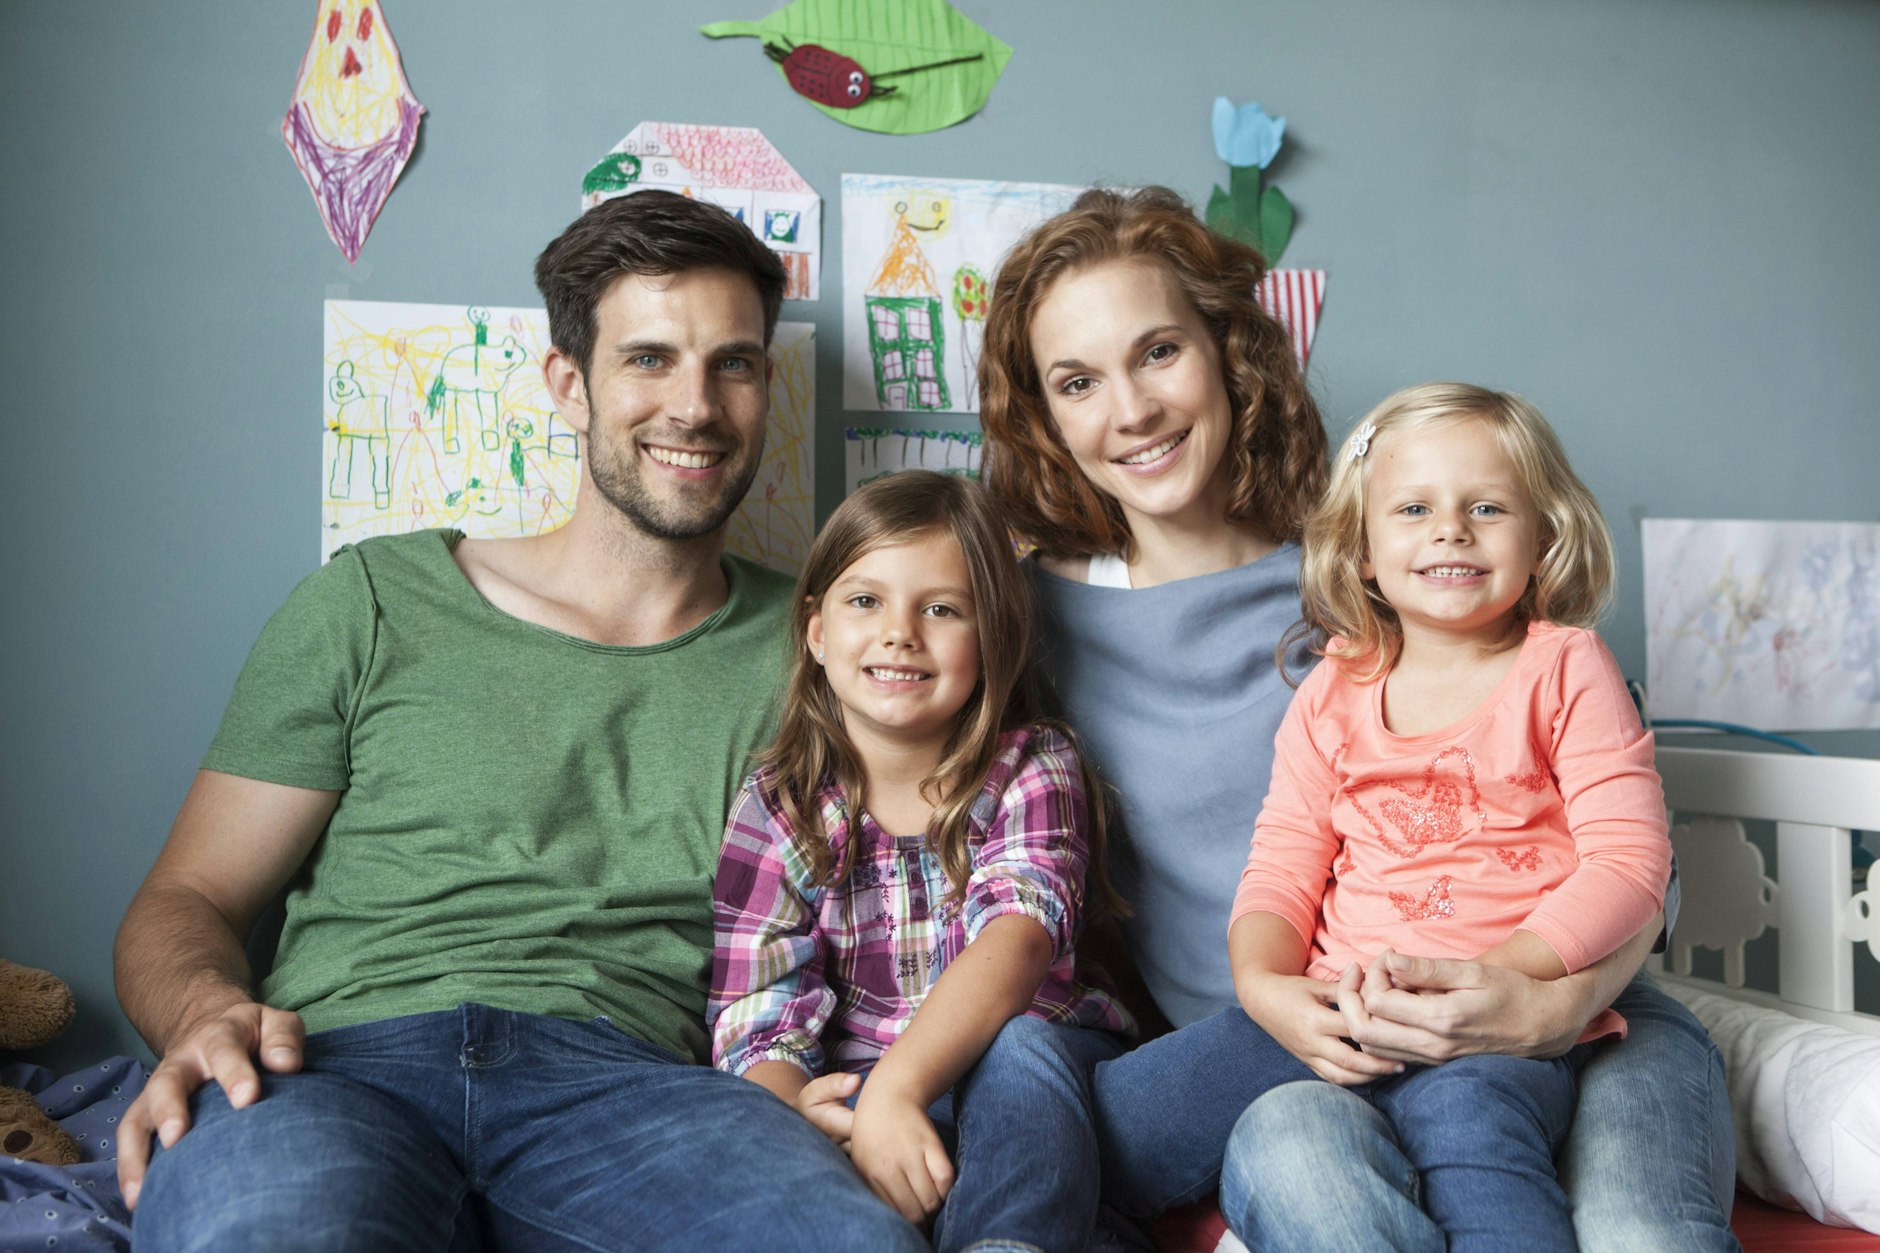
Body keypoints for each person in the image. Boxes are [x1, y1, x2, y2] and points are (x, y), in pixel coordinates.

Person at [112, 191, 923, 1252]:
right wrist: (202, 1008)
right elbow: (186, 897)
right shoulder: (373, 598)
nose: (695, 405)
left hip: (637, 1091)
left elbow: (928, 881)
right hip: (334, 1067)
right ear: (566, 385)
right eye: (646, 359)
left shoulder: (828, 645)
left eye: (731, 363)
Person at [977, 185, 1737, 1250]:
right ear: (1044, 416)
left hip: (1566, 1006)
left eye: (1158, 352)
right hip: (1304, 1036)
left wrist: (1548, 1004)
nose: (1131, 409)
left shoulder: (1388, 570)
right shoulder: (1021, 619)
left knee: (1634, 1222)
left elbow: (1626, 857)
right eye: (1076, 381)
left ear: (1228, 353)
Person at [1223, 384, 1671, 1251]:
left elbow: (1627, 862)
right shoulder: (1333, 688)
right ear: (1361, 550)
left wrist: (1488, 986)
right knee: (1129, 1116)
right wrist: (1266, 988)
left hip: (1495, 1022)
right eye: (1415, 507)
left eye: (1488, 507)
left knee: (1469, 1125)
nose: (1450, 529)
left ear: (1543, 538)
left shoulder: (1566, 666)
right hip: (1341, 1009)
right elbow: (1283, 860)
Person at [709, 470, 1135, 1252]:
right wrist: (792, 1115)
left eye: (941, 609)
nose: (900, 632)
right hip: (877, 1102)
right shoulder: (780, 806)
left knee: (1021, 1050)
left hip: (1049, 1071)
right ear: (816, 631)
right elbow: (756, 1014)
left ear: (992, 637)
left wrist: (899, 1088)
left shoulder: (1030, 766)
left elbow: (1018, 939)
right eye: (865, 601)